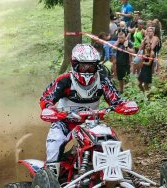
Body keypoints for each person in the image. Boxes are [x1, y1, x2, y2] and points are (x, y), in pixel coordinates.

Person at [39, 44, 139, 172]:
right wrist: (50, 109)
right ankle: (51, 177)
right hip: (65, 122)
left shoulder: (102, 80)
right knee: (55, 142)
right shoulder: (64, 80)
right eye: (83, 65)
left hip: (91, 123)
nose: (87, 69)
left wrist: (124, 106)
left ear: (96, 65)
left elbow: (116, 100)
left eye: (90, 66)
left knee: (110, 139)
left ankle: (121, 172)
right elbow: (46, 98)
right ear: (75, 64)